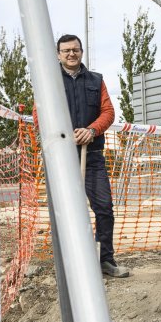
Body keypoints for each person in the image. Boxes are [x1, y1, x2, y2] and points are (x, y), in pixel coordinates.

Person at [57, 34, 130, 278]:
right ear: (58, 54)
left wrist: (92, 130)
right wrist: (65, 134)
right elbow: (40, 114)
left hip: (93, 156)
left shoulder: (96, 80)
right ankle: (70, 266)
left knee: (104, 208)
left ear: (81, 52)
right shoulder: (50, 80)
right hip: (62, 158)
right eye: (66, 50)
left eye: (75, 49)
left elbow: (108, 112)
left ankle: (105, 260)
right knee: (65, 211)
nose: (71, 54)